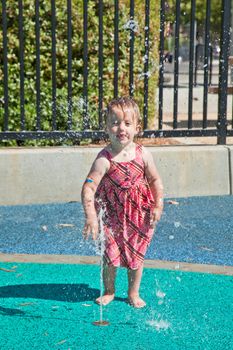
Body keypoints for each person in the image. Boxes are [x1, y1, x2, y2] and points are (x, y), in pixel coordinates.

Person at [81, 96, 163, 308]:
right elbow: (89, 187)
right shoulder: (104, 158)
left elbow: (155, 180)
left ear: (137, 127)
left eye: (127, 123)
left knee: (136, 255)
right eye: (115, 123)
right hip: (111, 216)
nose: (121, 128)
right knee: (110, 255)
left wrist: (158, 204)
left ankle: (133, 293)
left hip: (139, 215)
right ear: (107, 127)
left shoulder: (142, 153)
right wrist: (91, 216)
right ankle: (109, 290)